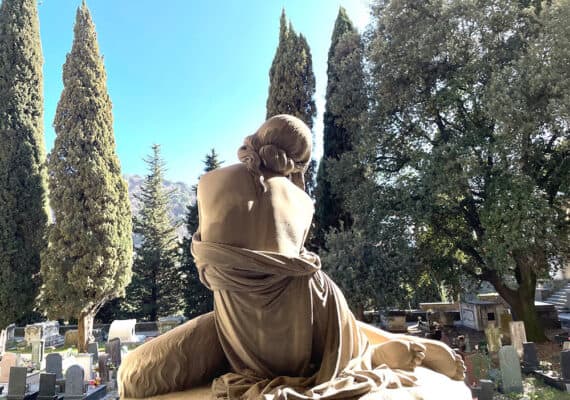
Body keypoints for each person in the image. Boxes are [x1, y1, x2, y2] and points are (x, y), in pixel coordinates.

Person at [119, 115, 469, 400]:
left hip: (244, 326)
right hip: (313, 309)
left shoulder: (211, 182)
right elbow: (283, 262)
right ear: (296, 163)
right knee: (331, 323)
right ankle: (382, 350)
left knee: (132, 376)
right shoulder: (303, 202)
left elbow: (229, 260)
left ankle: (379, 351)